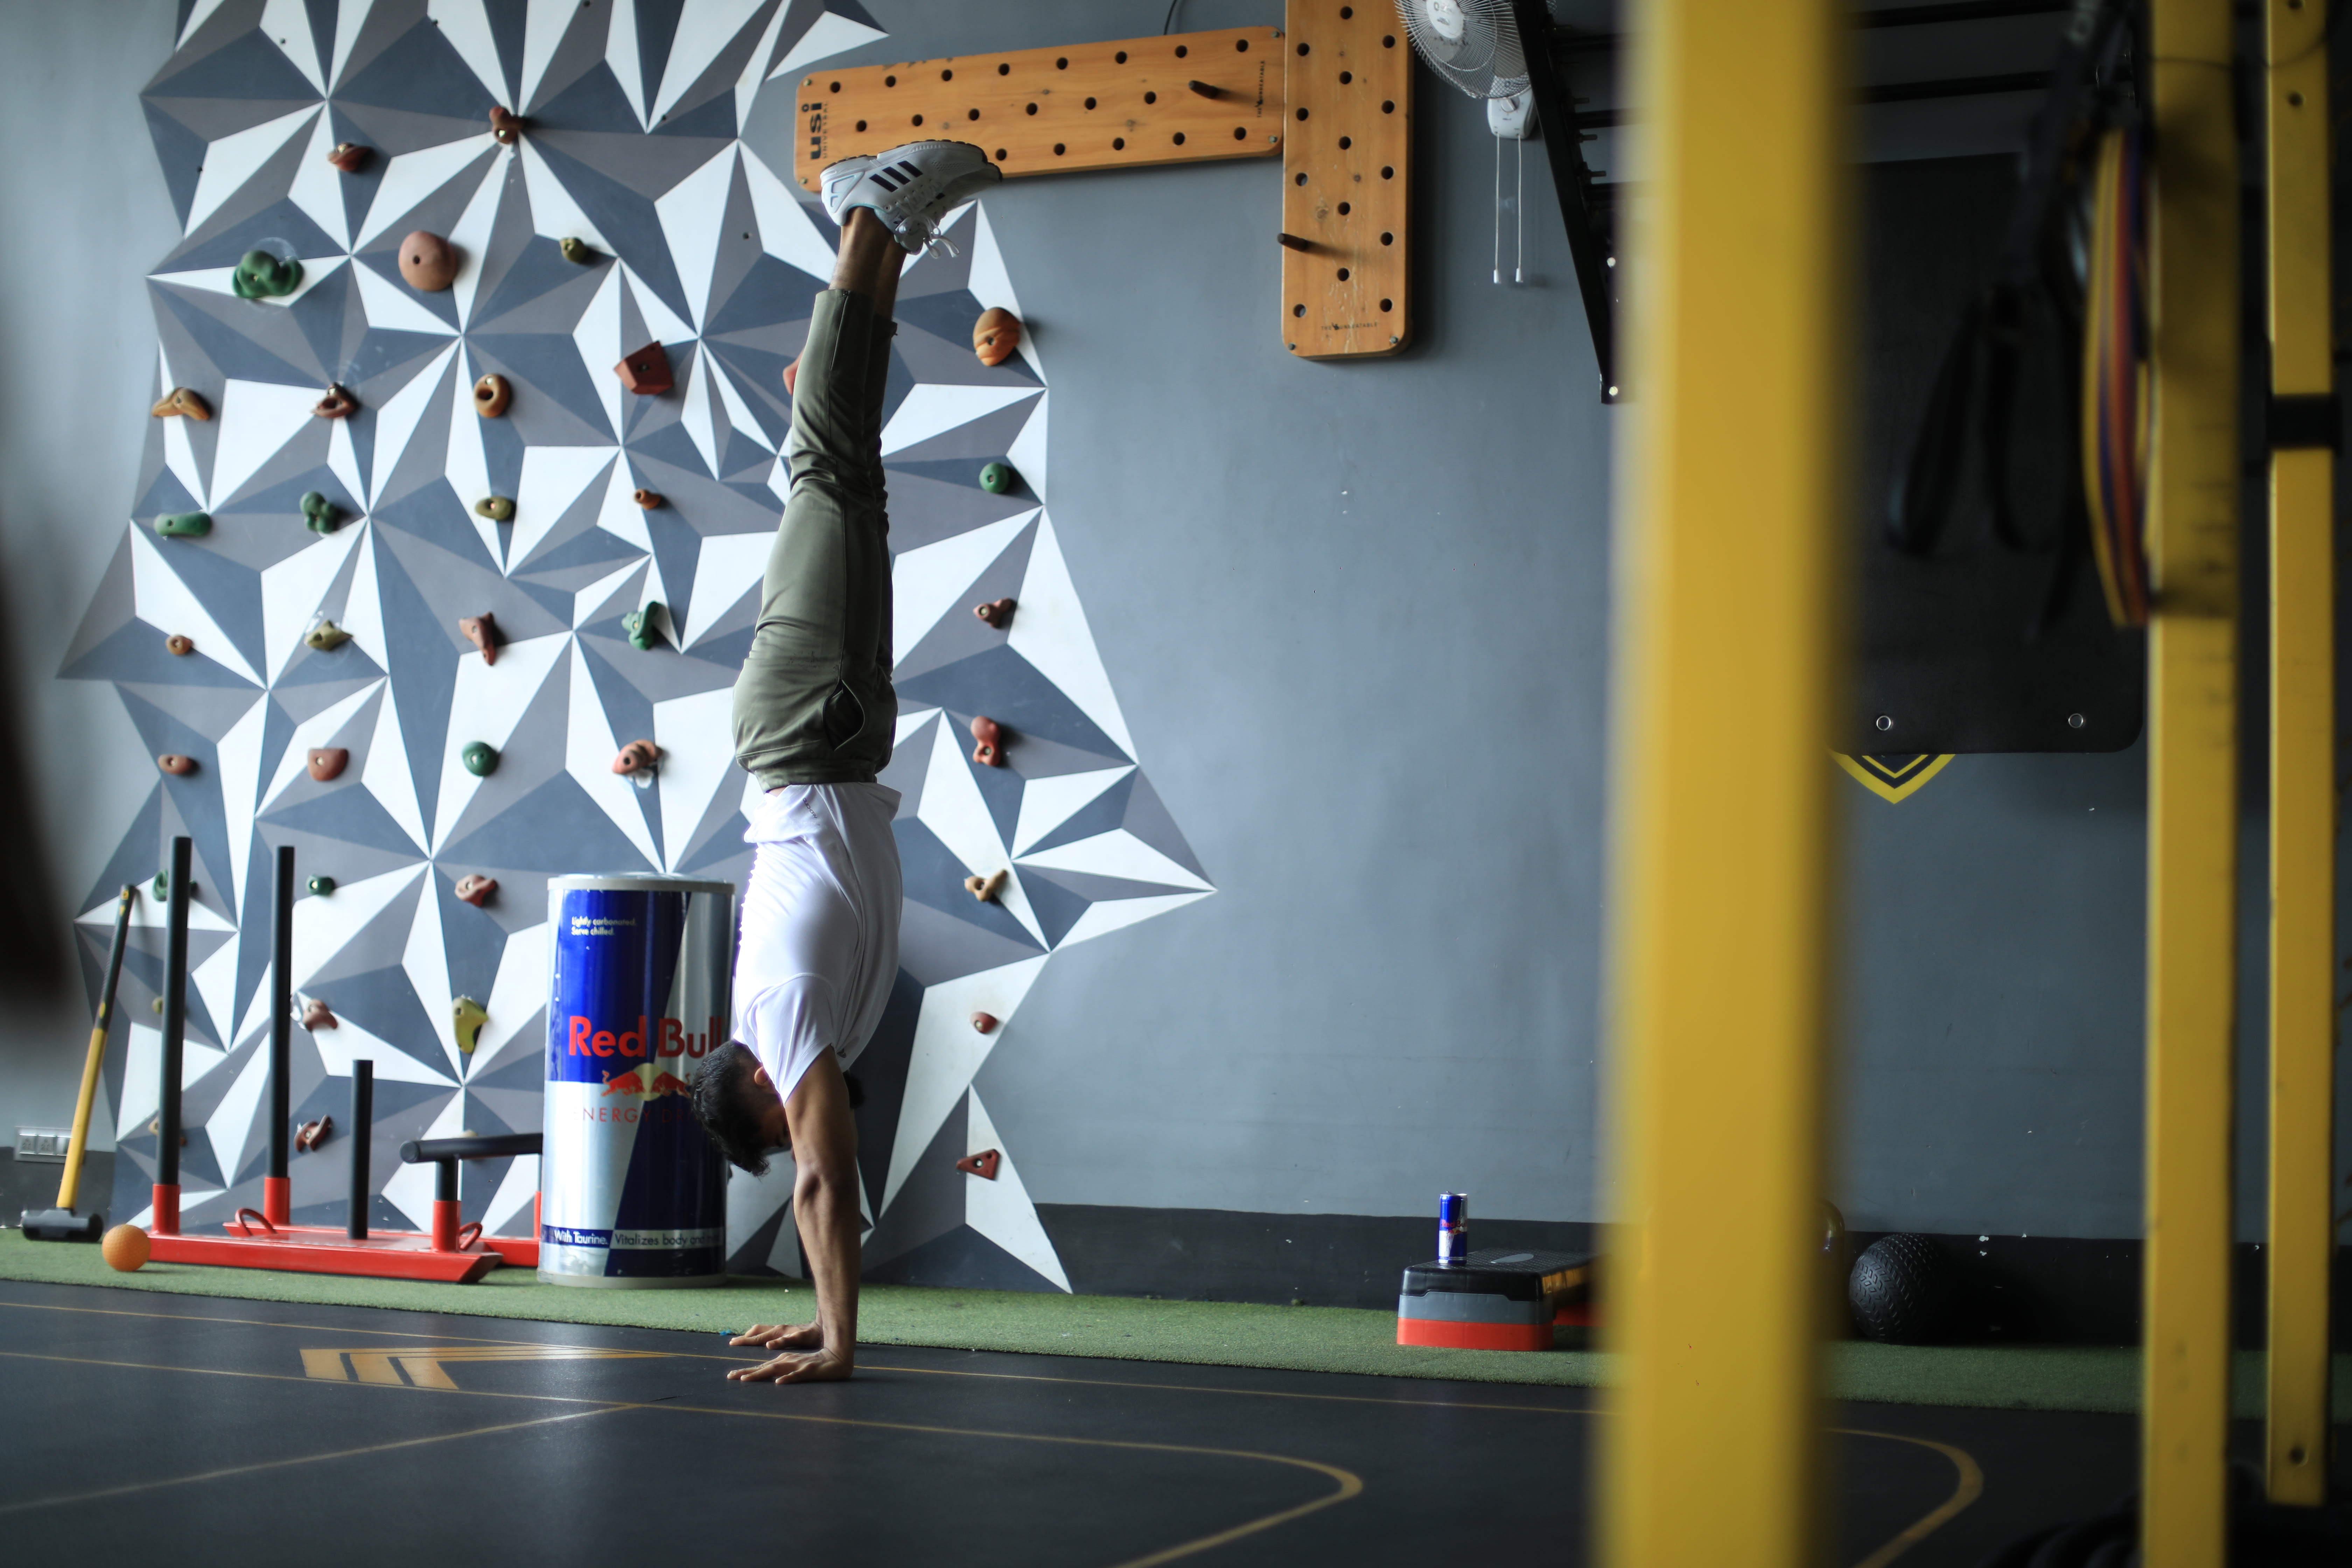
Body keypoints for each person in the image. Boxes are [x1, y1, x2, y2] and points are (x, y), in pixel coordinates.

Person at [691, 141, 1002, 1385]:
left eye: (774, 1131)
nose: (803, 1132)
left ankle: (867, 221)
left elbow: (824, 1180)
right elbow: (824, 1164)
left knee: (826, 466)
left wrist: (836, 1338)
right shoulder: (835, 1021)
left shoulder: (779, 1020)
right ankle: (880, 236)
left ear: (756, 1091)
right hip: (842, 737)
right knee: (853, 475)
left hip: (795, 732)